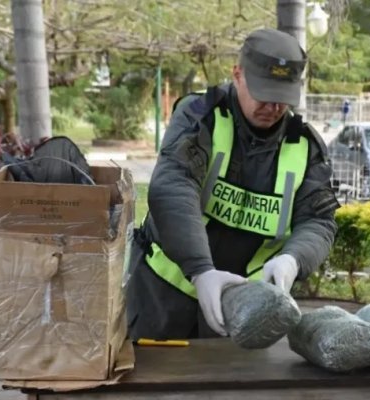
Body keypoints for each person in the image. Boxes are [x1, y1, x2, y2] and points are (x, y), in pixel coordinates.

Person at [125, 28, 339, 340]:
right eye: (263, 94)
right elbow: (173, 186)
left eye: (282, 98)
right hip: (162, 299)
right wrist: (201, 271)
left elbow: (318, 220)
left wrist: (293, 259)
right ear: (237, 75)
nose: (272, 107)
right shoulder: (202, 116)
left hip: (247, 311)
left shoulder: (305, 145)